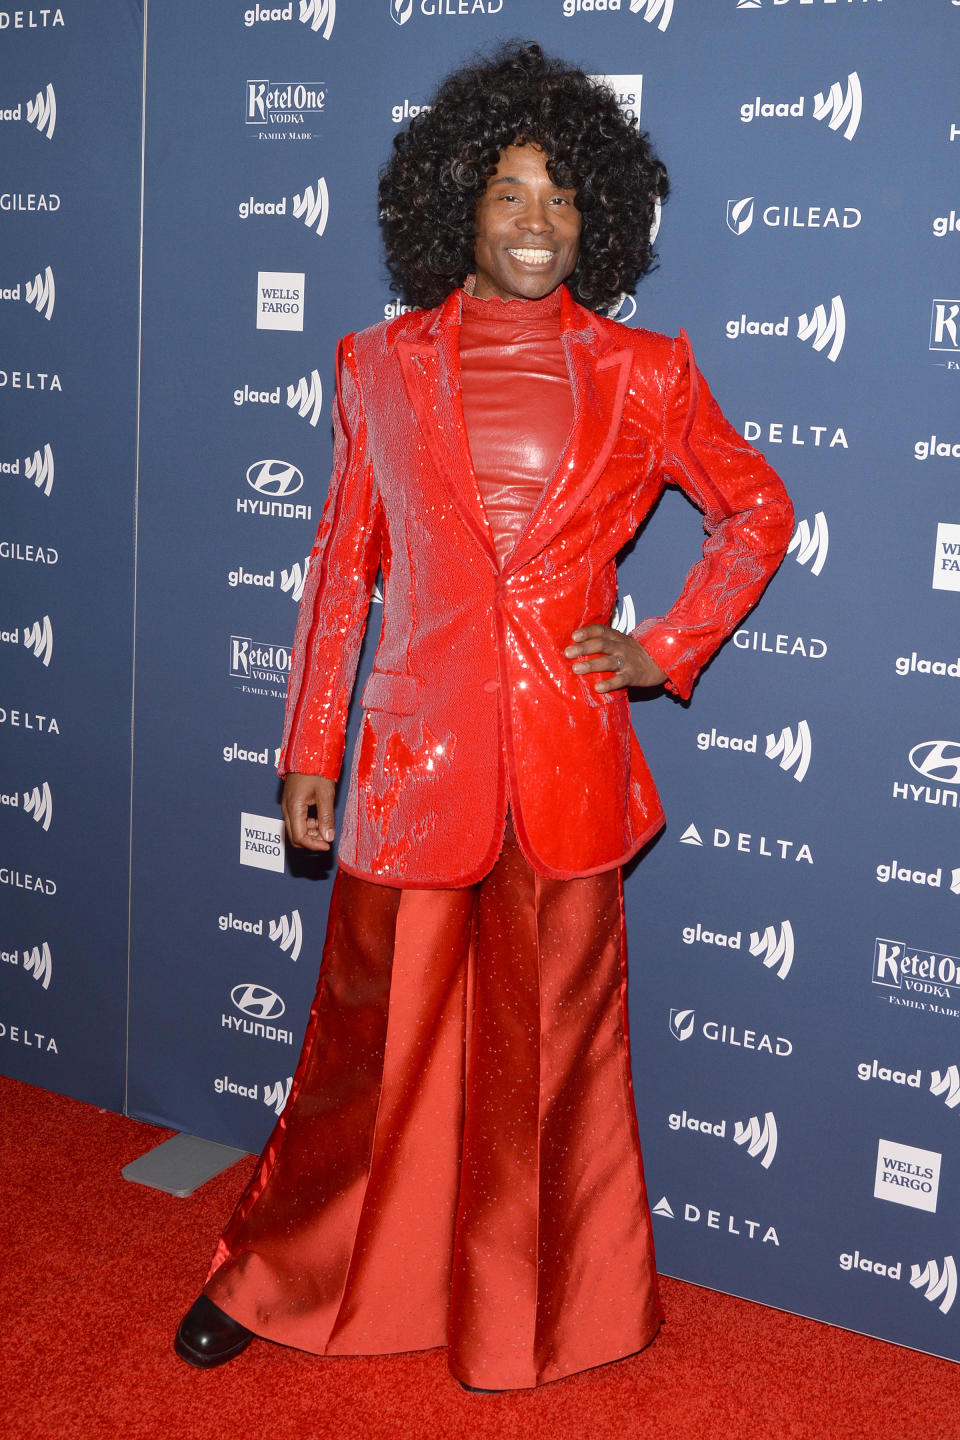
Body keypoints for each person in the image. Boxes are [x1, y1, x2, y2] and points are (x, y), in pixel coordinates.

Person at [175, 41, 793, 1392]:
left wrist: (663, 647)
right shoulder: (381, 363)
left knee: (549, 1070)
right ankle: (276, 1275)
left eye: (564, 198)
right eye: (510, 192)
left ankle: (532, 1314)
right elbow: (346, 563)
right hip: (412, 755)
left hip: (567, 760)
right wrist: (305, 746)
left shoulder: (645, 371)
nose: (535, 223)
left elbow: (758, 511)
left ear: (601, 218)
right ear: (459, 202)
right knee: (359, 1056)